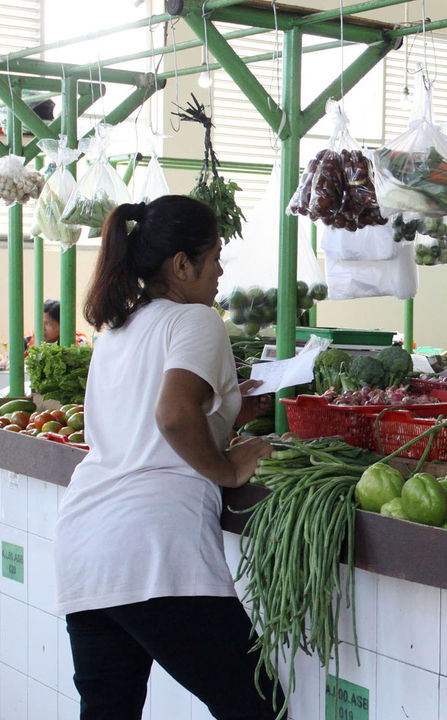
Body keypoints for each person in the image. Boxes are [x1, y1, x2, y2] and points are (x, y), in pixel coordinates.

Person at [54, 196, 283, 719]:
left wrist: (232, 410)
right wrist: (228, 467)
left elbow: (138, 420)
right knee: (257, 710)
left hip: (86, 548)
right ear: (182, 264)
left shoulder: (118, 329)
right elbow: (172, 415)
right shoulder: (196, 320)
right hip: (155, 552)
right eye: (216, 254)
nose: (222, 269)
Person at [23, 298, 92, 351]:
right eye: (40, 322)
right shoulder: (27, 341)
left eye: (48, 324)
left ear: (62, 326)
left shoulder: (80, 344)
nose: (42, 328)